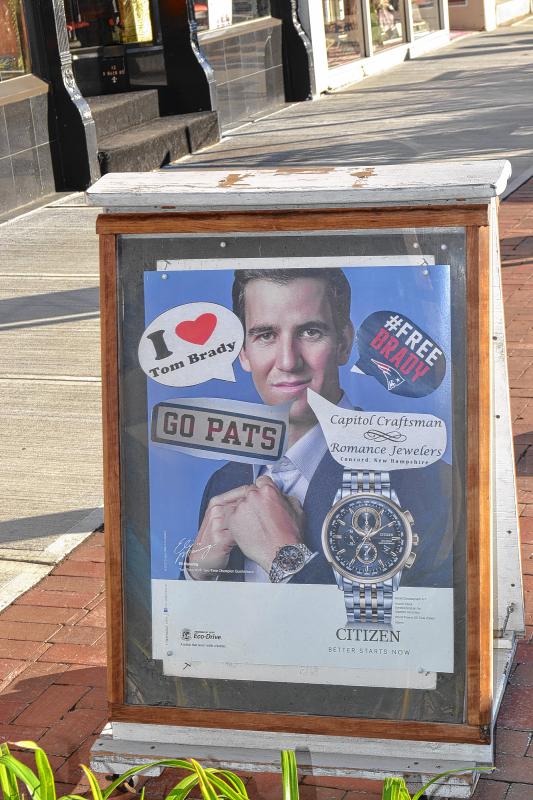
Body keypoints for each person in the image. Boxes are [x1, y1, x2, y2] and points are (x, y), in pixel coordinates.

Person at [184, 268, 453, 586]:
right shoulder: (224, 482)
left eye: (310, 332)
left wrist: (286, 560)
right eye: (265, 335)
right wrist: (196, 572)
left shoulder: (424, 482)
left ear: (344, 342)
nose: (287, 361)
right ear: (243, 353)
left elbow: (414, 627)